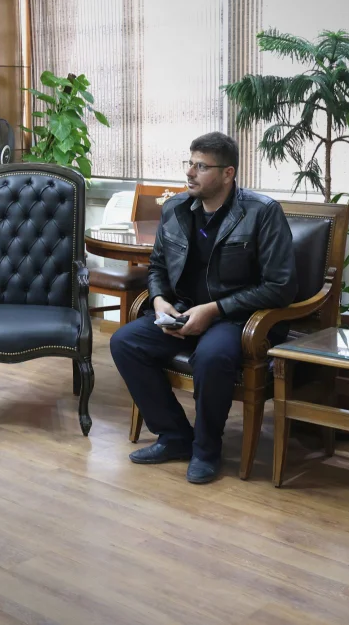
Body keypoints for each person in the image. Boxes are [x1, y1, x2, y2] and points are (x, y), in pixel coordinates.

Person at [111, 132, 297, 484]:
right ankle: (175, 437)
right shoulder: (176, 208)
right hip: (183, 309)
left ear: (228, 173)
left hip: (237, 319)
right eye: (190, 163)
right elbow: (157, 267)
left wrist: (214, 309)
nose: (190, 172)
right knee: (125, 342)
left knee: (212, 357)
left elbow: (281, 286)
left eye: (201, 166)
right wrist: (160, 300)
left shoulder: (262, 212)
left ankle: (206, 449)